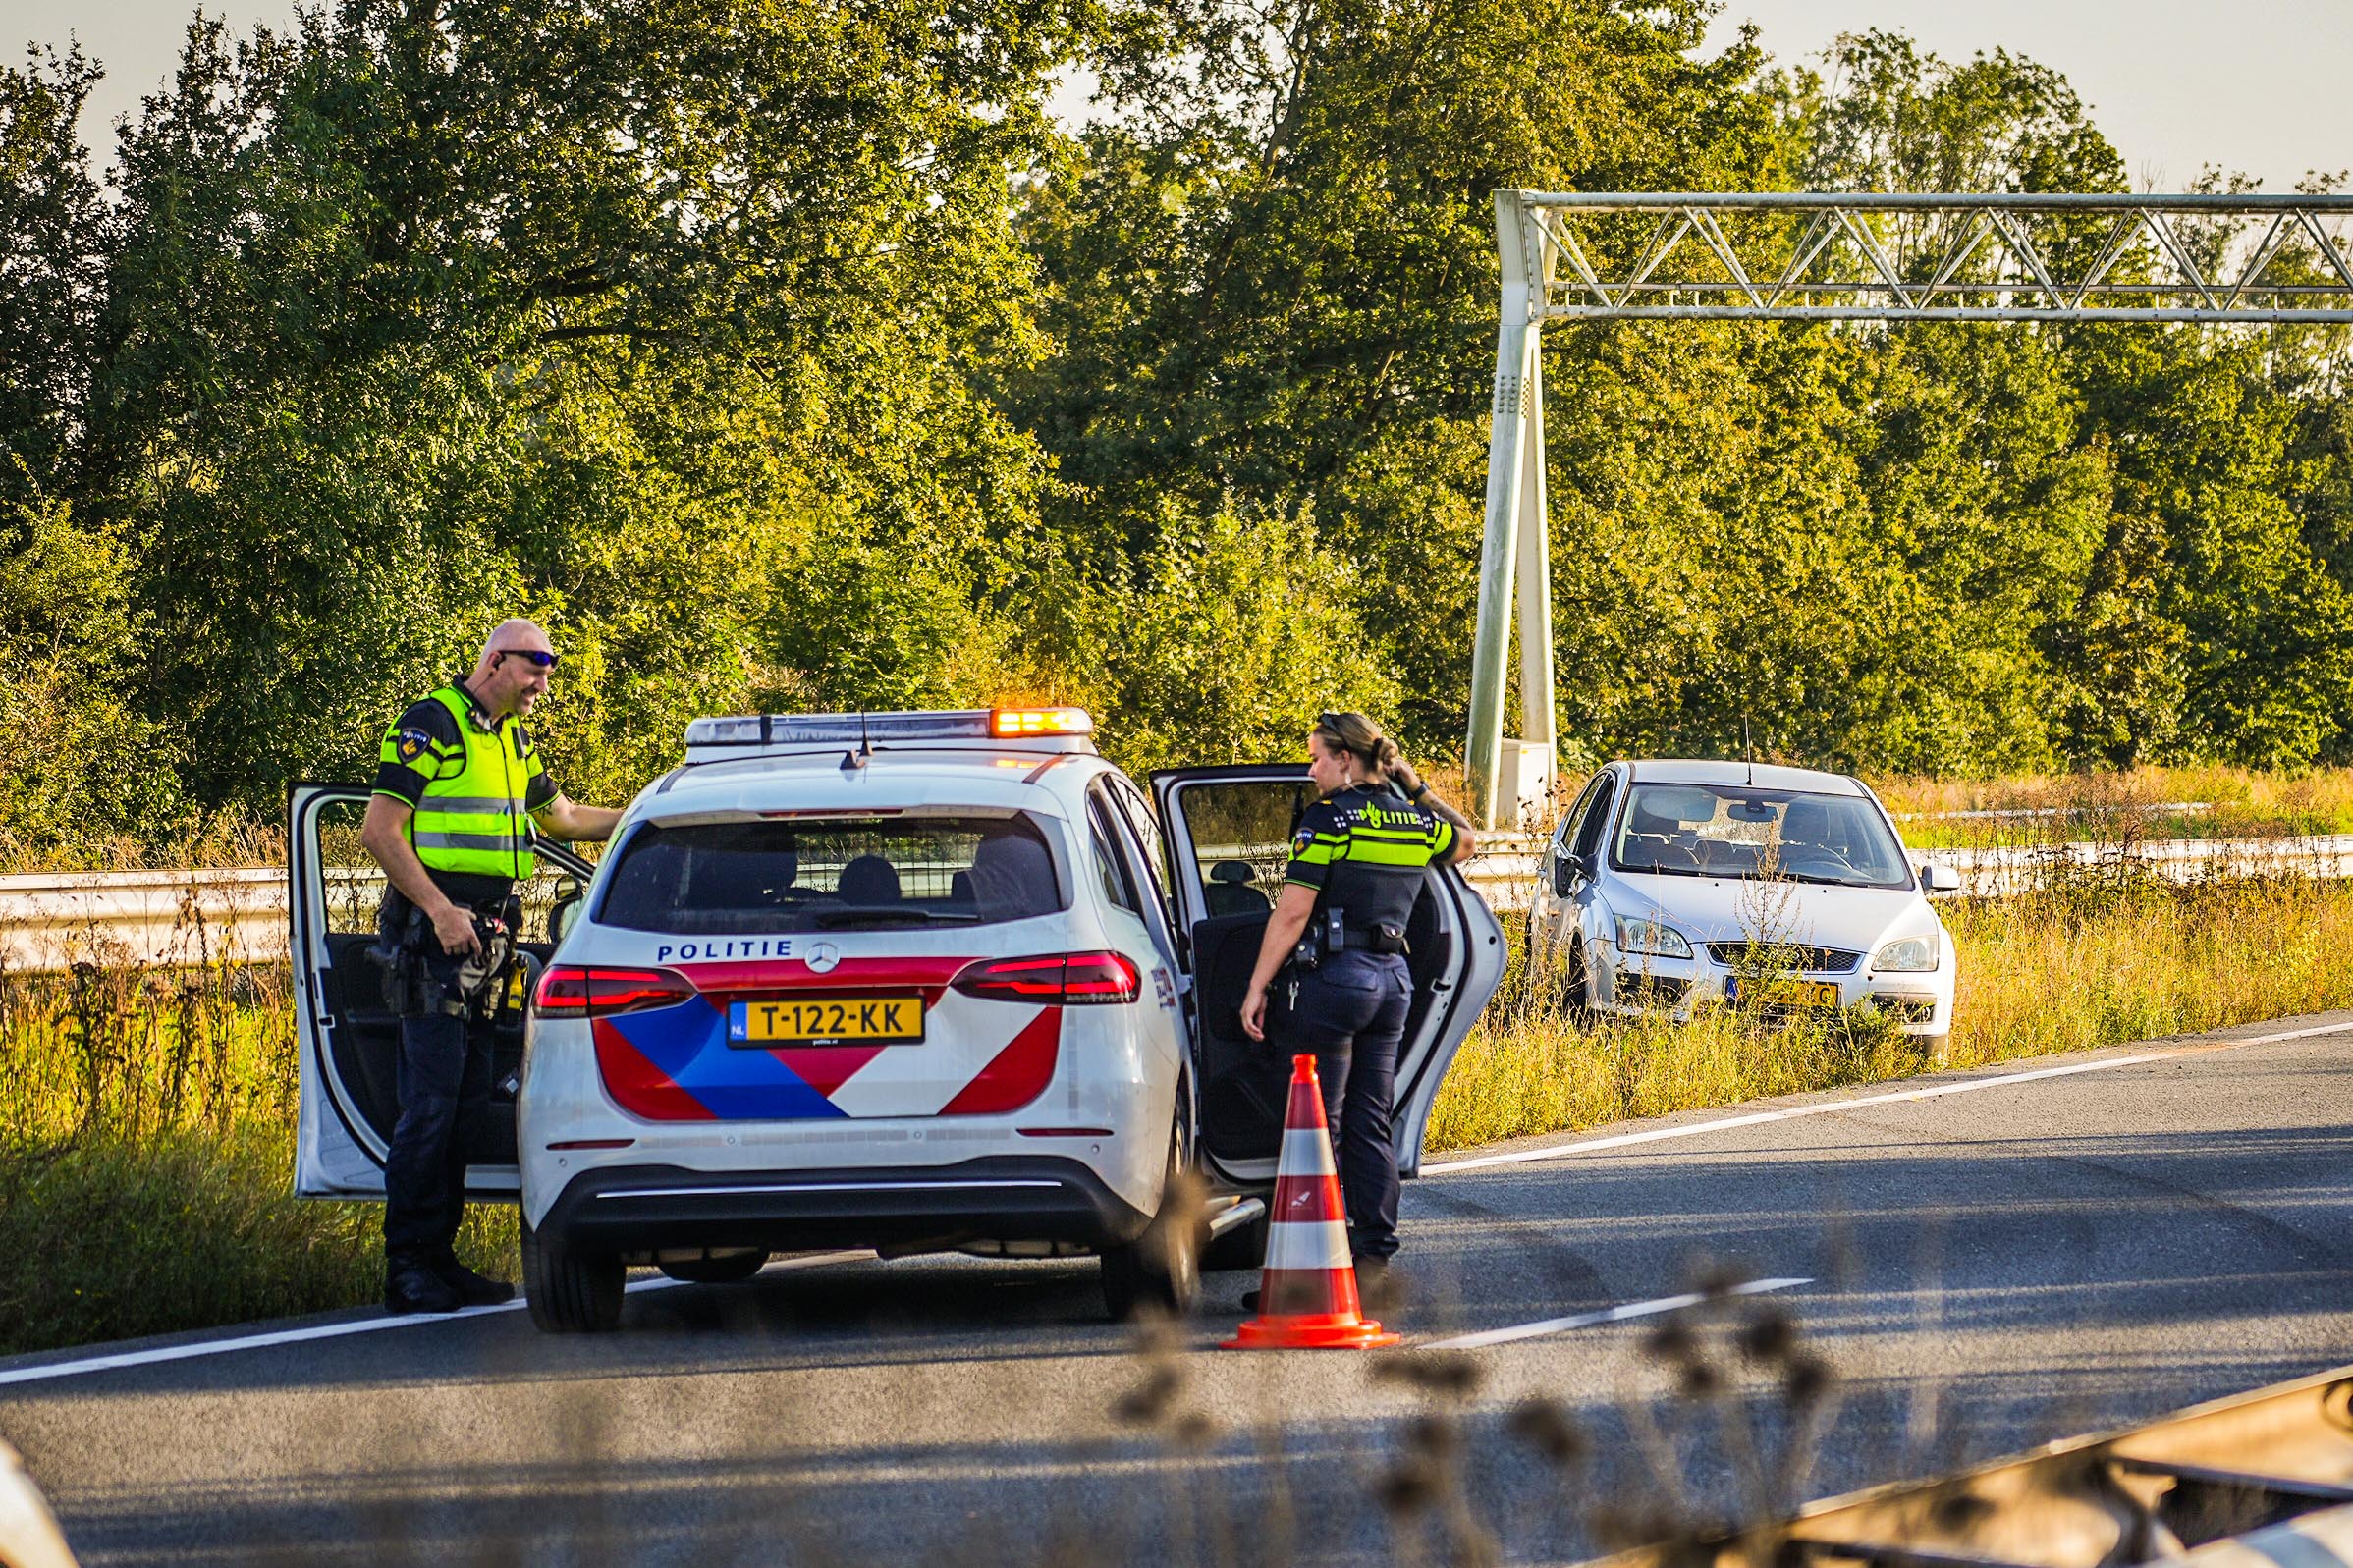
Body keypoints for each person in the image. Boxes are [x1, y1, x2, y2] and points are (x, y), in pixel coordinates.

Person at [359, 620, 623, 1314]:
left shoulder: (510, 736)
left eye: (546, 673)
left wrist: (648, 812)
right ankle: (408, 1264)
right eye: (534, 671)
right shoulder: (431, 723)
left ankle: (440, 1260)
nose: (542, 686)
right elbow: (379, 830)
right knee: (430, 1105)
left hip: (485, 939)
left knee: (465, 1104)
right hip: (434, 937)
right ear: (496, 661)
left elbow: (561, 818)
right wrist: (442, 911)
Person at [1237, 711, 1475, 1305]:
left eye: (1318, 756)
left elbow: (1292, 912)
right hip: (1393, 982)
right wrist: (1413, 782)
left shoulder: (1329, 819)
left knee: (1317, 1125)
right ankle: (1371, 1257)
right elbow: (1466, 841)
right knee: (1370, 1121)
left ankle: (1308, 1273)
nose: (1311, 767)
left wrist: (1256, 985)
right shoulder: (1414, 820)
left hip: (1337, 981)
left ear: (1346, 759)